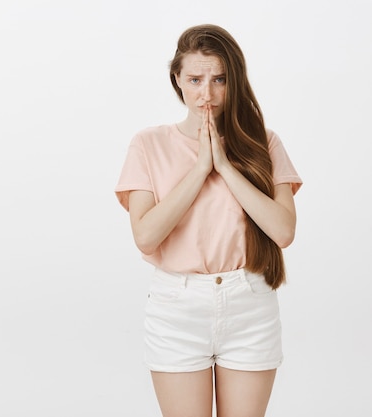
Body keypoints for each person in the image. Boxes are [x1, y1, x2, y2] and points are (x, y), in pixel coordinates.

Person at [114, 24, 302, 417]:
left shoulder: (263, 142)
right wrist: (200, 168)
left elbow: (283, 231)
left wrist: (225, 167)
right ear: (177, 81)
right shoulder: (148, 144)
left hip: (249, 303)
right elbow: (146, 236)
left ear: (234, 80)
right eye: (195, 79)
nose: (207, 94)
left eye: (219, 79)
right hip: (177, 307)